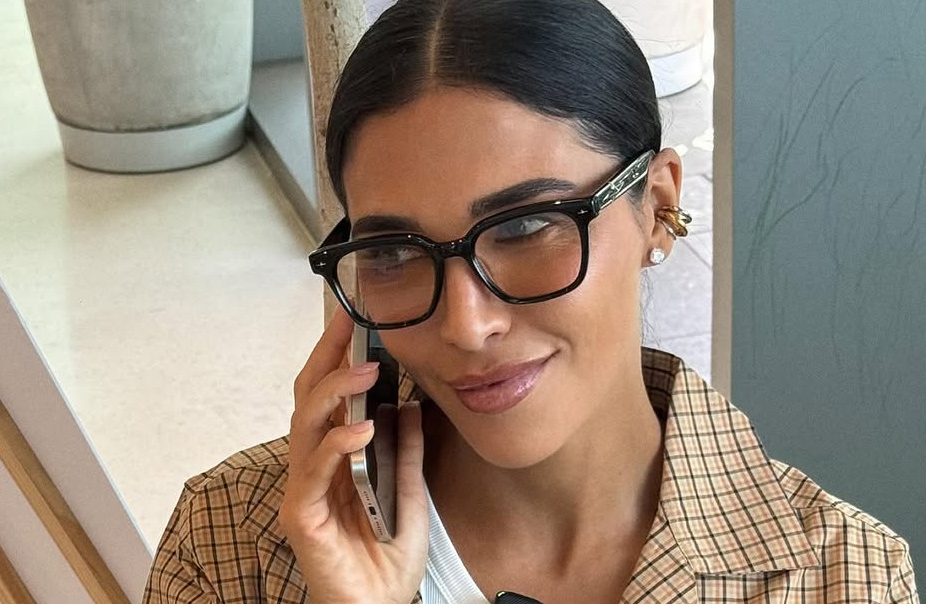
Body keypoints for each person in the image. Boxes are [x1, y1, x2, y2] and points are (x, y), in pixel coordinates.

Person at [141, 1, 919, 602]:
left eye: (525, 227)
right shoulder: (231, 542)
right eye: (393, 252)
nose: (466, 325)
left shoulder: (845, 578)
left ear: (657, 206)